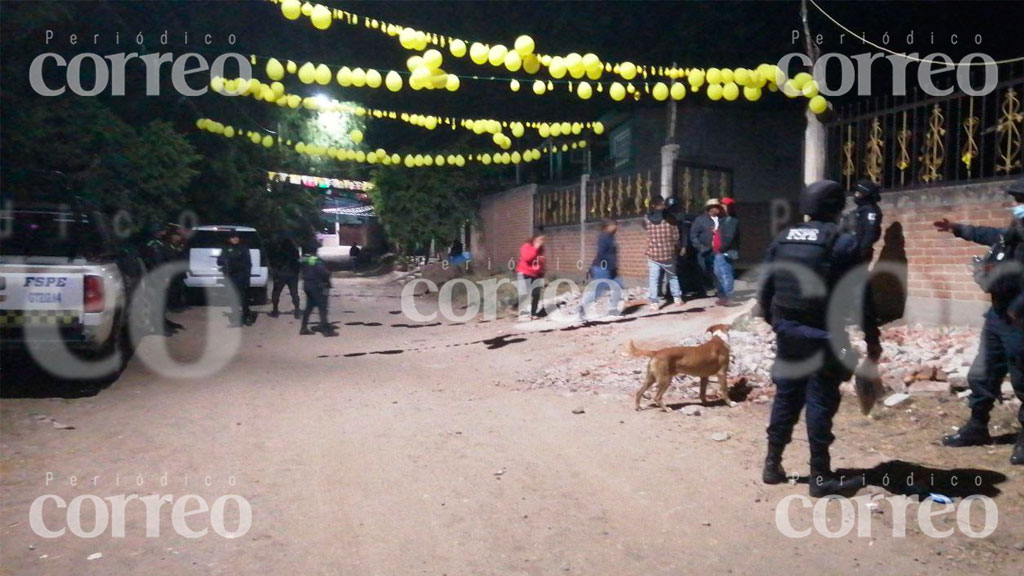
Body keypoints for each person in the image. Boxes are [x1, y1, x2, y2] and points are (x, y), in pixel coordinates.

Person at [758, 180, 882, 497]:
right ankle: (820, 475)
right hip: (824, 333)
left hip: (789, 331)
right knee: (820, 400)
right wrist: (872, 338)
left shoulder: (783, 238)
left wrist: (776, 323)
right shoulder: (842, 243)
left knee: (786, 395)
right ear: (837, 207)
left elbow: (766, 286)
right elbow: (862, 293)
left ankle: (772, 465)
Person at [936, 178, 1024, 465]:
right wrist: (957, 228)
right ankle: (976, 427)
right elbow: (989, 234)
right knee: (982, 373)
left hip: (1020, 320)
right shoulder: (1012, 235)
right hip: (999, 316)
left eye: (1021, 201)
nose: (1017, 207)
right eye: (1016, 201)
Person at [579, 219, 624, 320]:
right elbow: (601, 255)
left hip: (611, 269)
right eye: (613, 225)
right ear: (607, 227)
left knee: (618, 287)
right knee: (598, 291)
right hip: (603, 269)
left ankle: (613, 310)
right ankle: (582, 308)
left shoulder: (611, 237)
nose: (616, 227)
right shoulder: (603, 238)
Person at [645, 197, 683, 311]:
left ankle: (654, 303)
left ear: (652, 205)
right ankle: (677, 299)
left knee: (653, 279)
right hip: (668, 254)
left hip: (653, 254)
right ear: (663, 205)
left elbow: (648, 235)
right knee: (672, 276)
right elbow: (676, 237)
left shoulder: (647, 219)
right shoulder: (670, 219)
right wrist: (677, 247)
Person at [690, 198, 727, 303]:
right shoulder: (700, 220)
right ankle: (707, 288)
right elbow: (693, 235)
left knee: (718, 272)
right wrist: (700, 247)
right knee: (705, 270)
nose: (718, 209)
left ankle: (722, 294)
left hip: (717, 251)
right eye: (716, 207)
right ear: (710, 209)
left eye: (719, 207)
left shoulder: (722, 220)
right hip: (704, 251)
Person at [217, 232, 253, 327]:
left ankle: (247, 316)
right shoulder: (225, 248)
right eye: (232, 237)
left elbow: (248, 264)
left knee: (243, 298)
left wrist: (246, 277)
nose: (235, 239)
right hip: (230, 277)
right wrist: (225, 261)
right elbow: (219, 261)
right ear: (229, 239)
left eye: (236, 237)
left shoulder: (243, 248)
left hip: (241, 276)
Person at [299, 250, 336, 336]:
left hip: (307, 285)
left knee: (308, 308)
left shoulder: (304, 259)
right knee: (322, 308)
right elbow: (322, 273)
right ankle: (326, 331)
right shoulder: (315, 260)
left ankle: (303, 328)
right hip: (317, 286)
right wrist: (328, 273)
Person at [715, 197, 741, 305]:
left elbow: (729, 237)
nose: (722, 208)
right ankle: (724, 295)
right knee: (718, 272)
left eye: (724, 206)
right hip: (718, 251)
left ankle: (728, 296)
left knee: (726, 273)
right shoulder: (723, 220)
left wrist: (722, 248)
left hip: (725, 251)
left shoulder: (732, 221)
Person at [515, 232, 546, 320]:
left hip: (536, 274)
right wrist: (535, 248)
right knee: (524, 293)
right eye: (540, 240)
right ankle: (522, 313)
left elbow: (541, 261)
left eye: (543, 240)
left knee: (536, 295)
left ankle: (533, 313)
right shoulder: (526, 246)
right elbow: (527, 258)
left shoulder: (541, 249)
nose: (542, 242)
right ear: (535, 239)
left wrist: (542, 272)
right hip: (524, 273)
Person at [270, 237, 302, 319]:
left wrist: (276, 273)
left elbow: (274, 263)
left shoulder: (279, 251)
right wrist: (296, 272)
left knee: (276, 293)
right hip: (292, 275)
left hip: (281, 275)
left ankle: (275, 310)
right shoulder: (295, 251)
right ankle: (297, 310)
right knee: (294, 293)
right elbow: (298, 263)